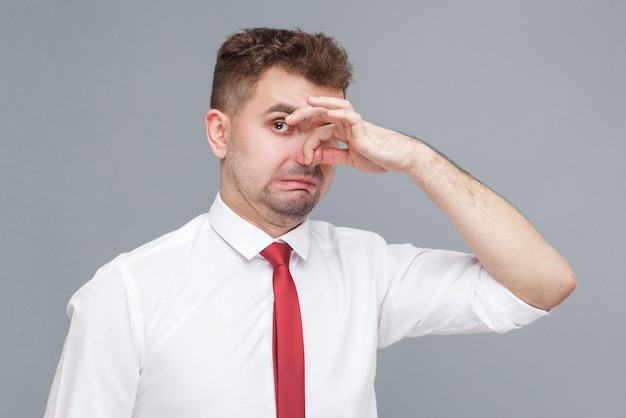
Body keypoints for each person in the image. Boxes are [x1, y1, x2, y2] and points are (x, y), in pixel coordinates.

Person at [44, 28, 576, 418]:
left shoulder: (368, 269)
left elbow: (542, 284)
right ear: (220, 134)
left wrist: (416, 157)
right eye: (281, 124)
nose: (308, 152)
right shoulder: (125, 295)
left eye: (324, 130)